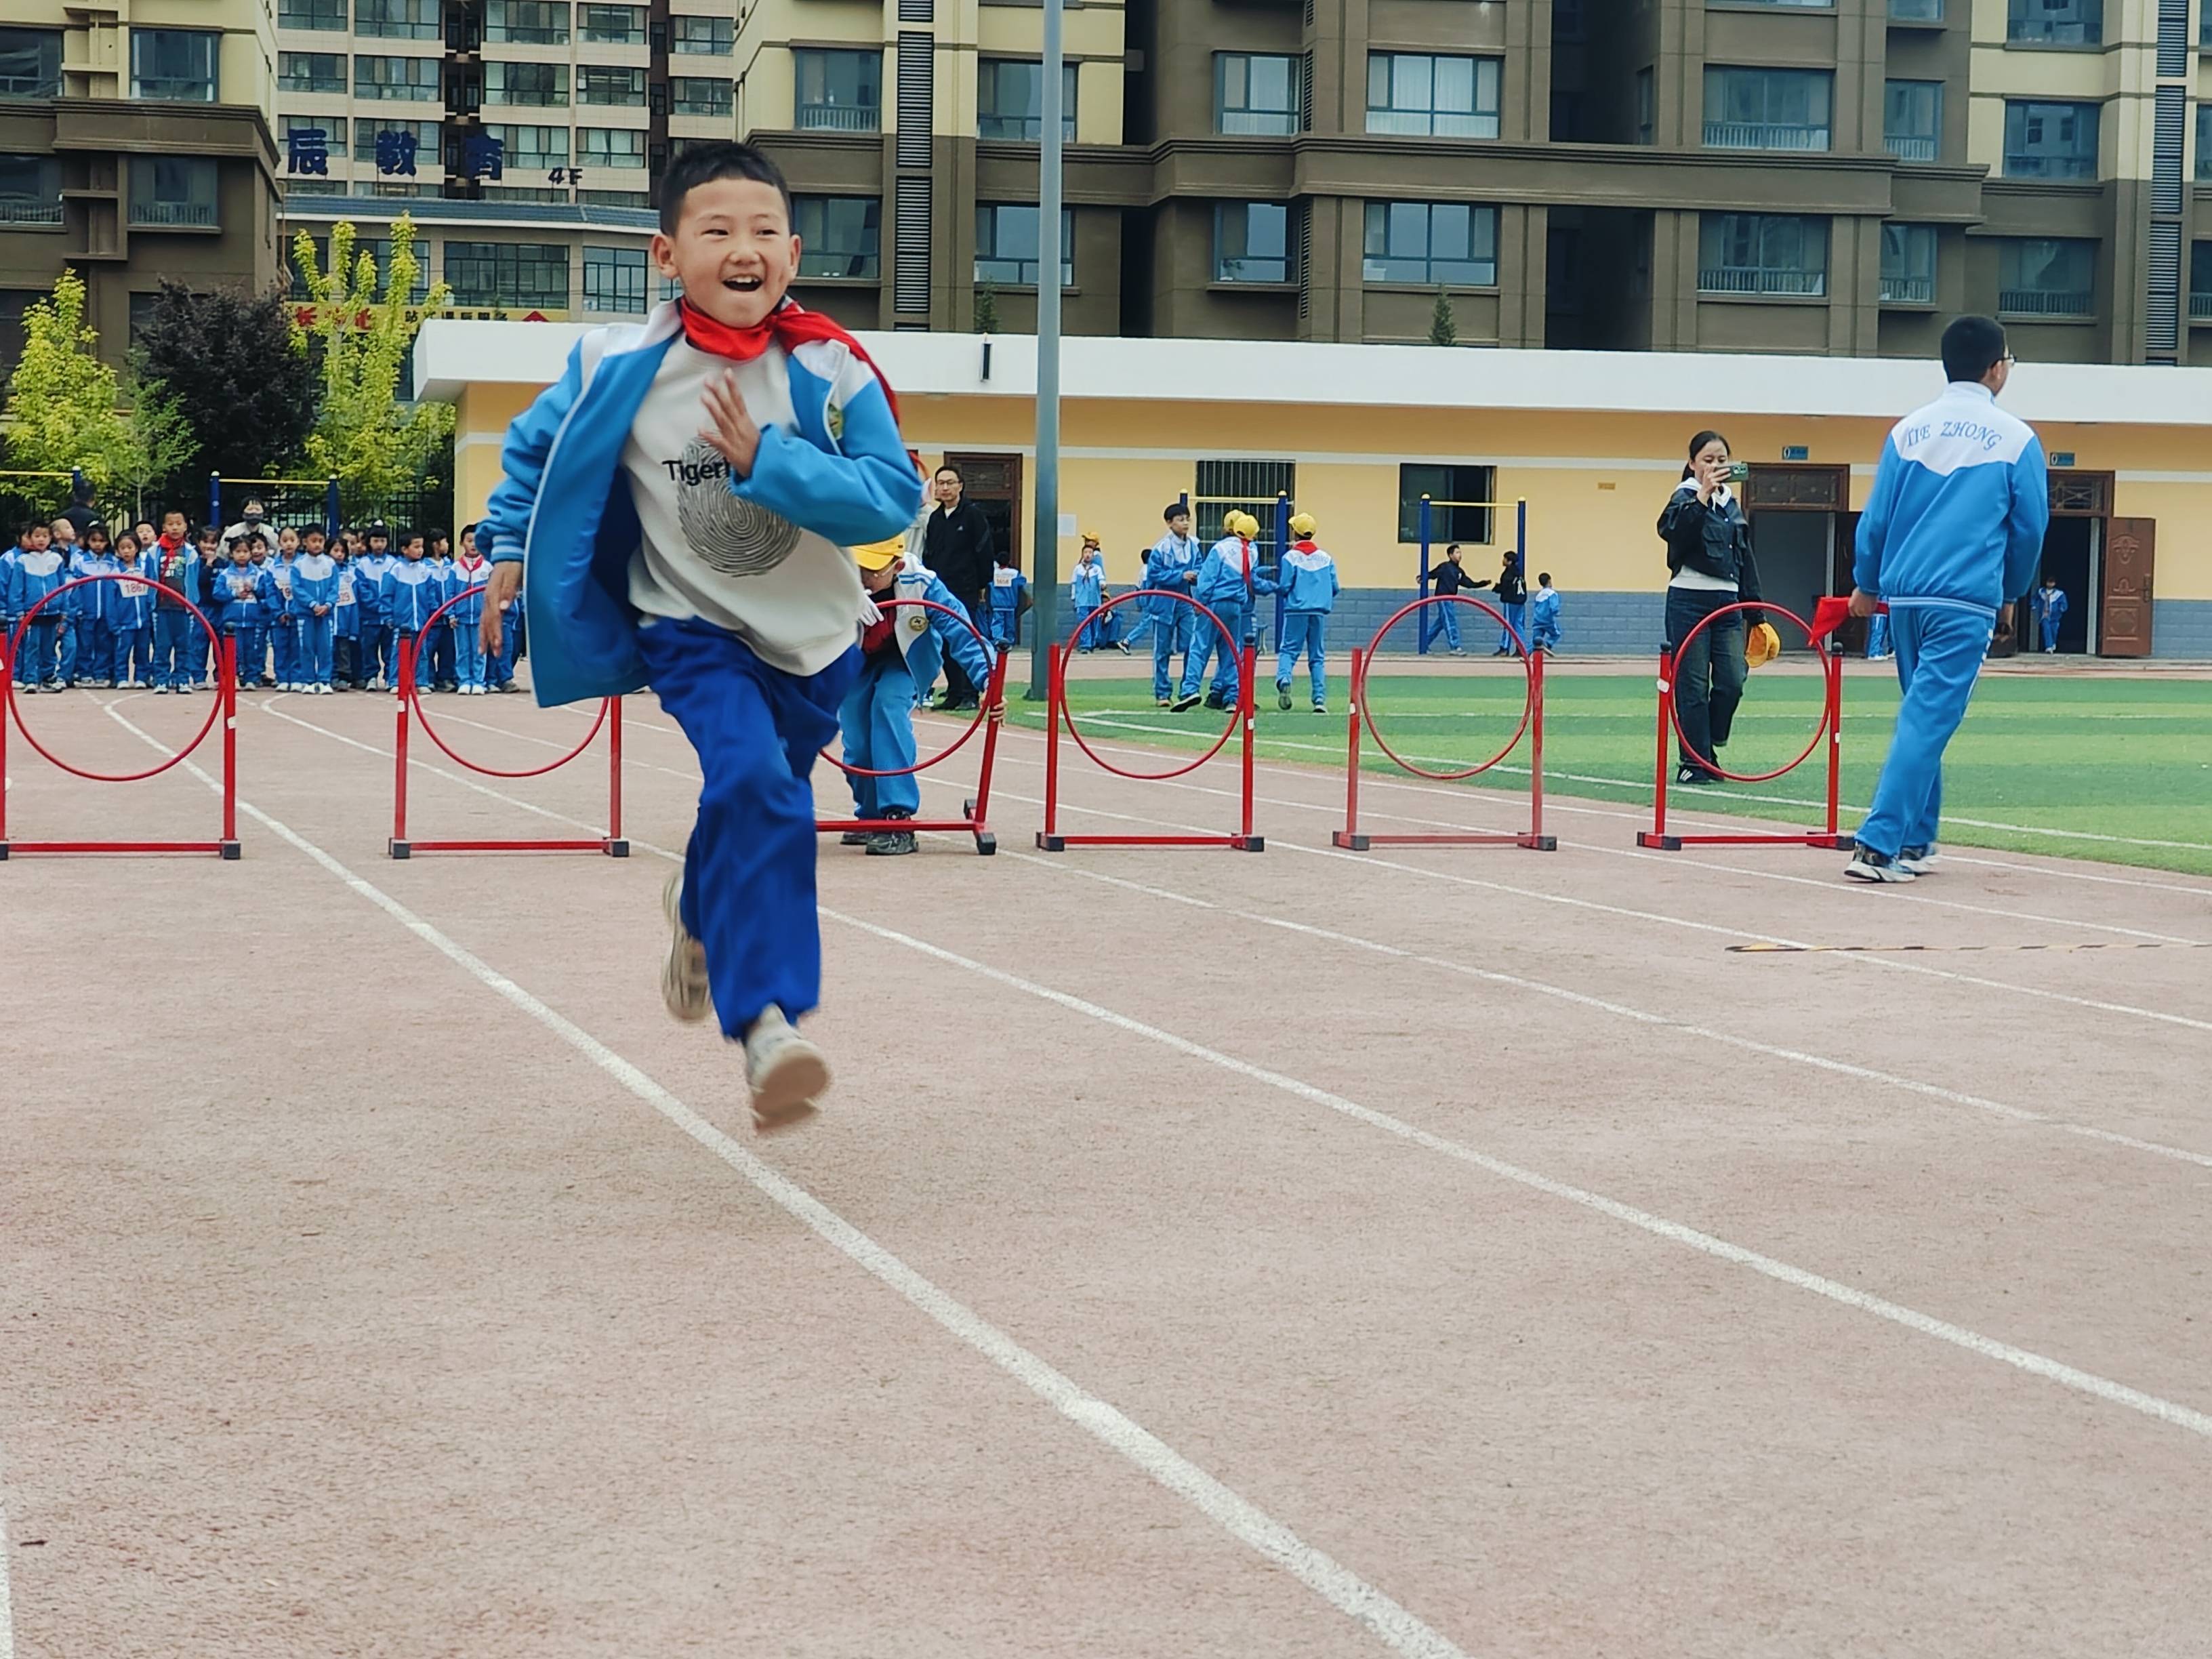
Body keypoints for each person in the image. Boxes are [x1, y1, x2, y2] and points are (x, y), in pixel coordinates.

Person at [474, 139, 921, 1132]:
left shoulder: (832, 369)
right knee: (760, 787)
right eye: (716, 230)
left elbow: (890, 498)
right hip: (692, 629)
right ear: (667, 255)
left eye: (763, 231)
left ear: (793, 254)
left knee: (752, 800)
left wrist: (773, 462)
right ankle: (766, 1027)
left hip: (815, 641)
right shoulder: (615, 362)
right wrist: (507, 540)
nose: (743, 248)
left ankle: (697, 912)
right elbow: (533, 444)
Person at [1845, 315, 2047, 884]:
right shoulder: (2017, 438)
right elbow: (2030, 530)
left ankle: (1915, 840)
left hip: (1906, 601)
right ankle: (1878, 845)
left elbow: (1877, 518)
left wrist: (1866, 583)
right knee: (1928, 720)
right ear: (1997, 368)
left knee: (1923, 717)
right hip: (1963, 602)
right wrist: (2011, 591)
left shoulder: (1908, 431)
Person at [839, 531, 996, 855]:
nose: (864, 577)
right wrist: (842, 599)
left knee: (888, 708)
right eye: (858, 567)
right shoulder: (836, 577)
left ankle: (898, 816)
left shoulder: (922, 582)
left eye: (872, 570)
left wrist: (988, 680)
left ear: (896, 567)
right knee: (855, 737)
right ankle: (869, 815)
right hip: (853, 661)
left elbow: (962, 632)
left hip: (904, 661)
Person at [1658, 430, 1765, 785]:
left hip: (1729, 603)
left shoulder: (1733, 505)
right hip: (1688, 598)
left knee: (1733, 679)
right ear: (1692, 464)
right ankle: (1694, 760)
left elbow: (1746, 558)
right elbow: (1671, 531)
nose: (1716, 467)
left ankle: (1709, 743)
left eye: (1722, 460)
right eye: (1708, 460)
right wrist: (1702, 495)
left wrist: (1756, 614)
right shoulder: (1685, 498)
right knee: (1691, 684)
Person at [1173, 511, 1276, 712]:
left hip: (1214, 603)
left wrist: (1199, 603)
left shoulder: (1220, 549)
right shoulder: (1252, 552)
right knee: (1231, 651)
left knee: (1200, 646)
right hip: (1236, 606)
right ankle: (1232, 697)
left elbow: (1207, 581)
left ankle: (1190, 689)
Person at [921, 464, 994, 709]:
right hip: (939, 589)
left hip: (966, 588)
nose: (944, 487)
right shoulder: (935, 518)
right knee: (944, 643)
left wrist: (983, 585)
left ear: (960, 486)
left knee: (966, 637)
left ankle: (970, 694)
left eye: (950, 482)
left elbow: (984, 551)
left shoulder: (973, 516)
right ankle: (954, 692)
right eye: (940, 483)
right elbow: (928, 554)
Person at [1273, 511, 1339, 713]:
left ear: (1295, 533)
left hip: (1296, 611)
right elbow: (1335, 587)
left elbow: (1285, 586)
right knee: (1317, 656)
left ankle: (1284, 679)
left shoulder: (1290, 557)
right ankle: (1319, 699)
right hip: (1318, 612)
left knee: (1288, 650)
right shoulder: (1325, 558)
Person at [1144, 501, 1202, 706]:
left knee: (1191, 645)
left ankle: (1188, 689)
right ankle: (1162, 693)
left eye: (1187, 519)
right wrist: (1180, 575)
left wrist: (1196, 577)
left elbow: (1200, 567)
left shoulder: (1194, 545)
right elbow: (1154, 574)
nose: (1185, 523)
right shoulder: (1162, 548)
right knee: (1163, 649)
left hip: (1185, 601)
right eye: (1180, 520)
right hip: (1164, 601)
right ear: (1170, 523)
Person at [4, 521, 66, 691]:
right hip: (31, 613)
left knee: (49, 647)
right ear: (30, 538)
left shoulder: (56, 559)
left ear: (50, 538)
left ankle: (47, 678)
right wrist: (18, 611)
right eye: (37, 536)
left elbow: (64, 587)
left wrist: (64, 610)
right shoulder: (22, 561)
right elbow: (16, 590)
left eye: (45, 536)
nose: (41, 540)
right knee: (32, 647)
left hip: (53, 612)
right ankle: (30, 679)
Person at [148, 512, 201, 695]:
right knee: (162, 646)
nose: (175, 528)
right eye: (170, 524)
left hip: (183, 609)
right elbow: (149, 578)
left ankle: (183, 680)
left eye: (179, 524)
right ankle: (161, 680)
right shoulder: (154, 552)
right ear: (164, 527)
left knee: (184, 646)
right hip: (162, 607)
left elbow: (193, 580)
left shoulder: (191, 553)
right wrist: (151, 602)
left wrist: (193, 603)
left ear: (185, 527)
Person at [70, 520, 119, 688]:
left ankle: (101, 673)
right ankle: (84, 673)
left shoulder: (113, 562)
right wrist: (77, 609)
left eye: (102, 540)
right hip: (86, 611)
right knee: (85, 643)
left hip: (106, 612)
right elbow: (74, 588)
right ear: (87, 541)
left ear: (107, 542)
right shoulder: (80, 561)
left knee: (104, 643)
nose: (98, 544)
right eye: (94, 540)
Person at [291, 527, 339, 693]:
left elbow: (335, 587)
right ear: (305, 542)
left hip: (326, 614)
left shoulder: (330, 563)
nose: (317, 544)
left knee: (326, 647)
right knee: (307, 647)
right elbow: (297, 590)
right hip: (306, 615)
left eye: (320, 541)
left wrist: (328, 604)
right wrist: (312, 604)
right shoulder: (298, 565)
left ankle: (325, 680)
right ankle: (309, 680)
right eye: (314, 541)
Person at [1422, 543, 1490, 653]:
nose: (1460, 555)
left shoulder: (1459, 572)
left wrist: (1481, 584)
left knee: (1440, 623)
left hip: (1451, 599)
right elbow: (1433, 574)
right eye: (1457, 553)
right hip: (1443, 598)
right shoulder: (1444, 567)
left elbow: (1468, 583)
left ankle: (1424, 644)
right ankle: (1455, 646)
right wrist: (1422, 577)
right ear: (1450, 555)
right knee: (1450, 621)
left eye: (1460, 553)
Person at [110, 532, 156, 688]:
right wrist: (114, 622)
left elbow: (152, 588)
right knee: (122, 651)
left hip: (144, 620)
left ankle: (141, 677)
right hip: (124, 621)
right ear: (117, 550)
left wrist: (150, 610)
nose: (126, 551)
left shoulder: (144, 567)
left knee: (143, 650)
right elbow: (110, 599)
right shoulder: (115, 571)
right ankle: (121, 677)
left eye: (130, 547)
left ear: (137, 548)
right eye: (122, 548)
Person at [355, 523, 396, 690]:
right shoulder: (362, 564)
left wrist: (387, 608)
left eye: (382, 540)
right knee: (369, 648)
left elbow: (395, 589)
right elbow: (362, 590)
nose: (379, 544)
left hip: (389, 616)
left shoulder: (394, 564)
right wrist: (377, 606)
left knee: (389, 648)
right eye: (376, 541)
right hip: (369, 616)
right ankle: (371, 677)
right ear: (369, 543)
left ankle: (389, 677)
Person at [449, 526, 490, 693]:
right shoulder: (456, 568)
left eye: (477, 541)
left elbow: (493, 594)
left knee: (480, 650)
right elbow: (450, 593)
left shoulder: (487, 567)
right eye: (469, 541)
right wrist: (451, 613)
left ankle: (479, 681)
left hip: (481, 618)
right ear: (461, 543)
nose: (473, 545)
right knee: (463, 651)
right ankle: (464, 680)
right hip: (460, 618)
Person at [985, 550, 1029, 651]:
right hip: (1010, 604)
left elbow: (987, 583)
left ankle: (998, 641)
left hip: (997, 604)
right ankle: (1009, 642)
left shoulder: (993, 573)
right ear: (1009, 561)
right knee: (1010, 625)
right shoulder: (1014, 574)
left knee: (997, 623)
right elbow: (1023, 582)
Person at [1070, 535, 1106, 651]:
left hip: (1094, 600)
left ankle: (1092, 643)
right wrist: (1074, 596)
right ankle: (1085, 645)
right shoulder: (1078, 569)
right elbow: (1074, 583)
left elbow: (1101, 579)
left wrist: (1102, 584)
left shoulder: (1097, 569)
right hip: (1082, 601)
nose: (1088, 555)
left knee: (1094, 623)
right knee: (1084, 622)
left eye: (1090, 552)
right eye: (1085, 552)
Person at [1490, 547, 1529, 656]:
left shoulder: (1508, 574)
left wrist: (1496, 588)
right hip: (1521, 601)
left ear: (1509, 561)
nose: (1503, 561)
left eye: (1505, 559)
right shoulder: (1519, 573)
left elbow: (1505, 587)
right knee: (1518, 625)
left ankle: (1505, 647)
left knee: (1508, 624)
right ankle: (1521, 649)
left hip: (1511, 601)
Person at [2033, 575, 2068, 654]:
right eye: (2049, 582)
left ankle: (2053, 643)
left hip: (2055, 616)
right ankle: (2048, 646)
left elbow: (2064, 603)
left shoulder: (2059, 594)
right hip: (2044, 615)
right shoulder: (2041, 592)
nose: (2050, 584)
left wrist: (2062, 608)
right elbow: (2035, 598)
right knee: (2046, 629)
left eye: (2052, 583)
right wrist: (2034, 605)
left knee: (2054, 630)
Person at [1529, 572, 1563, 654]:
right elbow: (1554, 606)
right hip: (1547, 620)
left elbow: (1536, 607)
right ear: (1550, 581)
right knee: (1556, 634)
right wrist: (1556, 612)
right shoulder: (1552, 593)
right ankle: (1547, 644)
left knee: (1535, 640)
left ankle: (1526, 654)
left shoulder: (1539, 594)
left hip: (1537, 620)